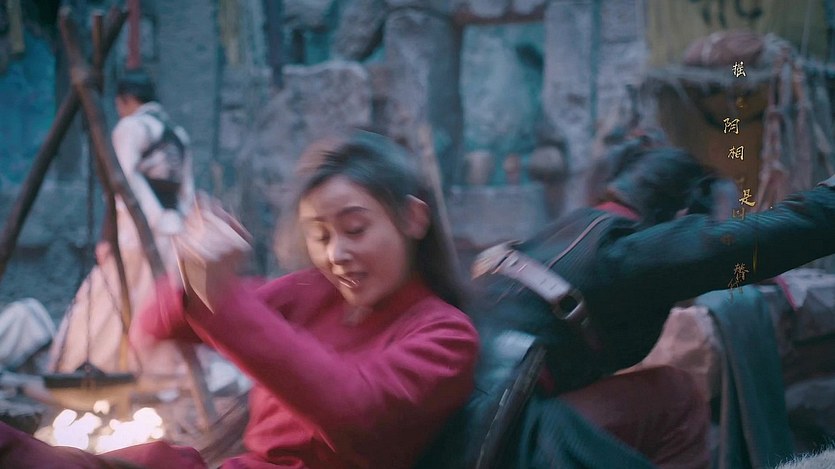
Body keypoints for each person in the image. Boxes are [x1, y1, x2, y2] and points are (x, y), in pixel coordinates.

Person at [0, 130, 479, 469]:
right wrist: (196, 271)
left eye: (355, 229)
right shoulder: (315, 293)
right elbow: (164, 320)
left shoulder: (445, 335)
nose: (336, 254)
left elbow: (355, 411)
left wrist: (220, 295)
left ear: (413, 219)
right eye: (320, 235)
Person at [480, 140, 835, 468]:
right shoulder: (627, 253)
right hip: (505, 438)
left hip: (478, 420)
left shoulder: (566, 231)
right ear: (682, 214)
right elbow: (755, 242)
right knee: (675, 396)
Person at [48, 69, 196, 377]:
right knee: (154, 298)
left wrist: (149, 220)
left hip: (138, 230)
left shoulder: (131, 128)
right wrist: (177, 222)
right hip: (172, 231)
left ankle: (102, 363)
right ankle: (152, 370)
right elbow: (186, 191)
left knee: (115, 294)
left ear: (126, 100)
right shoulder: (178, 135)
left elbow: (124, 182)